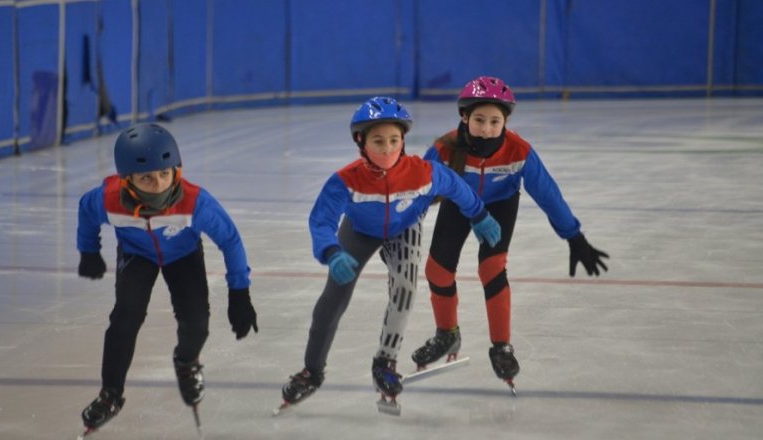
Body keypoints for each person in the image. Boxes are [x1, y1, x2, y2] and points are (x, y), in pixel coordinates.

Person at [279, 97, 502, 410]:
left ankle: (385, 361)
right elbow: (321, 220)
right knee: (334, 297)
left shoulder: (423, 172)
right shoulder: (344, 180)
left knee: (405, 287)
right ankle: (312, 371)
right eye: (378, 141)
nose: (387, 149)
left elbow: (456, 186)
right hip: (360, 230)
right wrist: (331, 252)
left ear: (404, 140)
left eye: (394, 140)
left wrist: (479, 215)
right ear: (361, 141)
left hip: (405, 227)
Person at [410, 76, 609, 391]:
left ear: (505, 121)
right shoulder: (444, 149)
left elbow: (548, 195)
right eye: (479, 120)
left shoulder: (519, 151)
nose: (487, 128)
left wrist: (574, 236)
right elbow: (418, 189)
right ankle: (447, 334)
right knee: (437, 270)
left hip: (500, 205)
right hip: (460, 205)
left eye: (494, 121)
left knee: (491, 268)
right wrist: (402, 226)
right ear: (464, 117)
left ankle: (501, 346)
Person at [75, 122, 258, 432]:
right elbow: (85, 211)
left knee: (196, 323)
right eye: (146, 177)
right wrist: (89, 250)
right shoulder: (107, 198)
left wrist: (239, 293)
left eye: (165, 173)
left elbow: (230, 240)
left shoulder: (196, 202)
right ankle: (111, 395)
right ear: (127, 179)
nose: (159, 184)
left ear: (177, 169)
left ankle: (186, 362)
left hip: (183, 256)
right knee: (125, 318)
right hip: (137, 255)